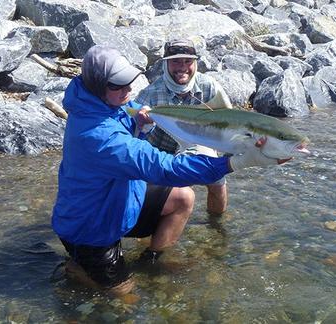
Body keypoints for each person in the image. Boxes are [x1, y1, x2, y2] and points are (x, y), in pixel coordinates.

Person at [51, 45, 283, 296]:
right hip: (91, 230)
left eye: (129, 82)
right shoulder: (99, 138)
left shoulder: (100, 101)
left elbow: (123, 115)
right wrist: (234, 163)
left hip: (118, 202)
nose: (128, 90)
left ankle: (150, 260)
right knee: (126, 297)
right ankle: (78, 269)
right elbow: (166, 168)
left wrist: (138, 120)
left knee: (183, 197)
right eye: (118, 85)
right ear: (98, 85)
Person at [136, 38, 233, 215]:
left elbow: (231, 123)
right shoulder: (148, 94)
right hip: (160, 152)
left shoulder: (209, 86)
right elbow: (133, 135)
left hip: (197, 143)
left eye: (188, 61)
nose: (182, 67)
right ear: (165, 64)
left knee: (217, 179)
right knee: (165, 201)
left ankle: (216, 227)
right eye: (175, 62)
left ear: (195, 63)